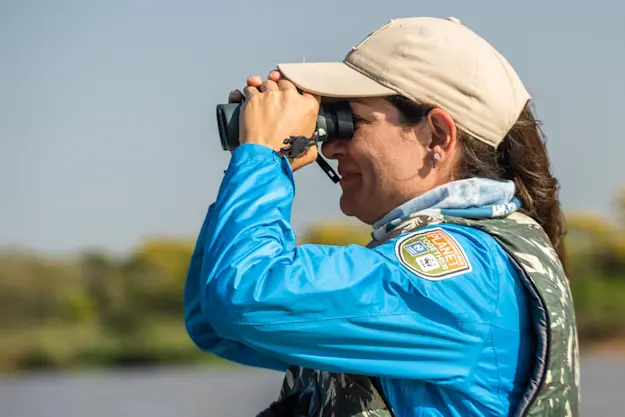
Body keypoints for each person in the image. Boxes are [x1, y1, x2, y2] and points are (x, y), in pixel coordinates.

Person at [184, 16, 579, 417]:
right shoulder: (471, 258)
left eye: (351, 122)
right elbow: (214, 323)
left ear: (437, 135)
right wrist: (251, 162)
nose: (330, 147)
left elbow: (244, 298)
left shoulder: (466, 276)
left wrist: (263, 157)